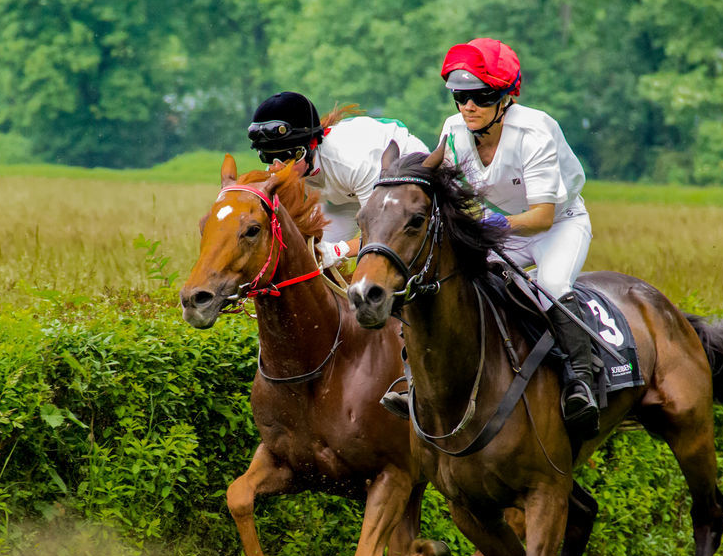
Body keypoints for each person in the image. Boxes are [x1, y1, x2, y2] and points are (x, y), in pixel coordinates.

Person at [436, 37, 599, 440]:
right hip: (506, 224)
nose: (468, 107)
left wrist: (492, 228)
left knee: (552, 285)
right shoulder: (454, 131)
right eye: (460, 96)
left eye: (481, 97)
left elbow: (542, 217)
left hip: (559, 224)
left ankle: (582, 378)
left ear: (505, 98)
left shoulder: (535, 130)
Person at [248, 92, 428, 268]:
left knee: (380, 251)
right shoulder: (279, 168)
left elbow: (381, 233)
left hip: (399, 169)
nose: (277, 168)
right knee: (314, 255)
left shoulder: (352, 162)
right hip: (341, 192)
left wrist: (339, 250)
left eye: (286, 156)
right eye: (268, 157)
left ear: (311, 146)